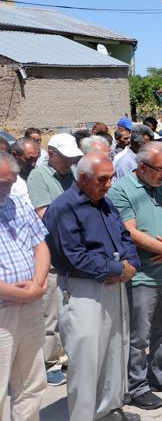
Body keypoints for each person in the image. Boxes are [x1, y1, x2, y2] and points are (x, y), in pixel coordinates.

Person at [44, 152, 141, 421]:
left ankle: (108, 409)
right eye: (103, 179)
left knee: (114, 348)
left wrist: (131, 264)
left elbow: (124, 236)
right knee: (86, 357)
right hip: (82, 288)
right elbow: (73, 255)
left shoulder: (105, 202)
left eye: (111, 178)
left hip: (114, 284)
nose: (109, 184)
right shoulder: (63, 207)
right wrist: (117, 269)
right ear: (84, 178)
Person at [109, 142, 162, 410]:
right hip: (142, 276)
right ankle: (137, 385)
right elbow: (129, 231)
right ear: (142, 167)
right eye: (160, 168)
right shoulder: (122, 189)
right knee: (139, 336)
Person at [26, 133, 82, 387]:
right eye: (65, 158)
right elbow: (44, 214)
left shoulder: (73, 174)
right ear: (52, 154)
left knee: (70, 311)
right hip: (50, 254)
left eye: (72, 157)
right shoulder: (39, 176)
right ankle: (51, 362)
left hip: (73, 251)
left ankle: (69, 355)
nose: (70, 162)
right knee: (51, 313)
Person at [0, 151, 50, 420]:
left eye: (10, 183)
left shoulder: (17, 203)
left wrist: (37, 285)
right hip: (3, 312)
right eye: (2, 184)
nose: (6, 190)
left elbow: (40, 245)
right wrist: (23, 293)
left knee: (31, 382)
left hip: (30, 307)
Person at [9, 137, 40, 206]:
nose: (33, 163)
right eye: (29, 159)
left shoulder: (38, 174)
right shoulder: (6, 180)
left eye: (36, 159)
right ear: (15, 155)